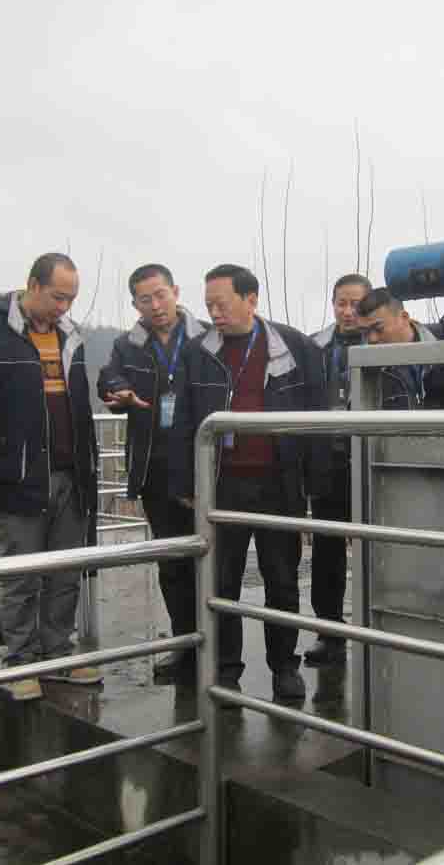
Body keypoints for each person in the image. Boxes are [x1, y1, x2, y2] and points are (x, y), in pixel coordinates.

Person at [170, 264, 328, 701]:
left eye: (221, 304)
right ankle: (226, 670)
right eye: (208, 306)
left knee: (282, 580)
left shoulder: (294, 346)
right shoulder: (198, 352)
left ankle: (284, 667)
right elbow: (183, 420)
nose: (214, 313)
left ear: (251, 300)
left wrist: (316, 482)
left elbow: (317, 416)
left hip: (280, 483)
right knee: (222, 582)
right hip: (223, 484)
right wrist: (185, 482)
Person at [0, 252, 101, 699]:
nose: (64, 306)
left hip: (71, 475)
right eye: (58, 297)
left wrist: (89, 468)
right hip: (19, 475)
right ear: (33, 286)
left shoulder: (69, 337)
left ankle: (58, 656)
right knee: (21, 574)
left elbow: (80, 409)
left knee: (64, 573)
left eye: (71, 298)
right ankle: (20, 661)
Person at [97, 263, 207, 685]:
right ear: (135, 304)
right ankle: (185, 647)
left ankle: (218, 648)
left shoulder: (205, 337)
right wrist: (117, 391)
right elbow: (109, 378)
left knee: (212, 560)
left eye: (161, 294)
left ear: (176, 291)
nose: (156, 305)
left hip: (201, 464)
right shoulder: (128, 345)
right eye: (146, 299)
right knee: (172, 562)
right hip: (155, 468)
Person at [304, 273, 371, 665]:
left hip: (371, 460)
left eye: (356, 304)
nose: (348, 312)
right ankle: (329, 633)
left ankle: (377, 629)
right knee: (327, 551)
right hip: (327, 461)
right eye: (341, 303)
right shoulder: (315, 347)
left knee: (375, 547)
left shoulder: (382, 340)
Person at [355, 287, 444, 409]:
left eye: (379, 328)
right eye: (365, 332)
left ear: (404, 317)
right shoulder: (361, 370)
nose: (372, 339)